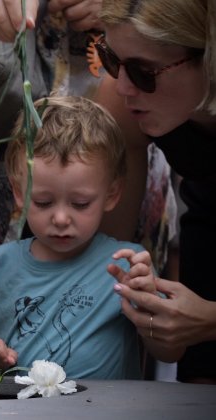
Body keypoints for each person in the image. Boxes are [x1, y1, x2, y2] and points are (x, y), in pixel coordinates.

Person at [0, 96, 184, 379]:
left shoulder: (128, 266)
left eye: (80, 204)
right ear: (18, 192)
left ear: (112, 194)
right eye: (42, 202)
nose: (62, 218)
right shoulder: (1, 263)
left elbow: (169, 353)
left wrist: (147, 302)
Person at [96, 0, 216, 385]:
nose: (124, 86)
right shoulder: (123, 102)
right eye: (112, 60)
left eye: (144, 72)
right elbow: (104, 256)